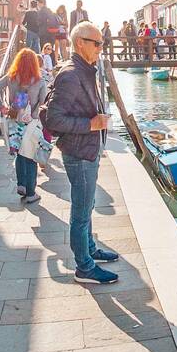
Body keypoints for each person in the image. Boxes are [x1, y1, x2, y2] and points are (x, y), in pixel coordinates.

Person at [43, 22, 120, 285]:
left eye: (102, 43)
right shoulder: (71, 74)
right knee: (81, 210)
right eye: (97, 43)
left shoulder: (85, 70)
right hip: (79, 151)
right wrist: (90, 124)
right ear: (80, 43)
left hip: (88, 149)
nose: (101, 48)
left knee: (89, 205)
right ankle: (84, 267)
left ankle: (90, 249)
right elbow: (53, 119)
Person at [0, 48, 49, 204]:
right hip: (32, 121)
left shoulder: (11, 77)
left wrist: (2, 108)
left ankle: (21, 185)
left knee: (19, 153)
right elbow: (43, 100)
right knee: (30, 155)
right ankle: (31, 193)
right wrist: (35, 110)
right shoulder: (39, 80)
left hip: (14, 119)